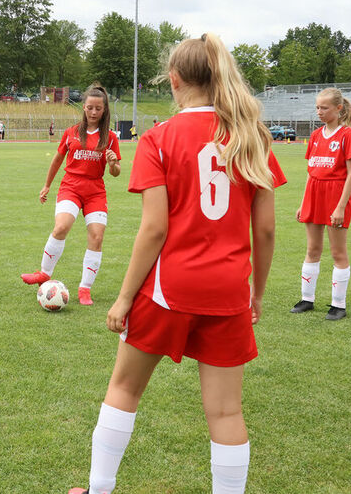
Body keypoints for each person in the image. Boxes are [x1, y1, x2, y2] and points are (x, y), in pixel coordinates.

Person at [67, 33, 284, 494]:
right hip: (228, 291)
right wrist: (257, 294)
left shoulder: (159, 137)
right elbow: (265, 231)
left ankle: (99, 490)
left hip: (169, 289)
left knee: (124, 390)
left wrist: (124, 298)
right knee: (226, 412)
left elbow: (154, 230)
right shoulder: (252, 135)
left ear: (175, 79)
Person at [20, 85, 121, 306]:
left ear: (104, 110)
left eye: (98, 108)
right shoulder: (71, 133)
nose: (94, 112)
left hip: (95, 191)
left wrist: (113, 164)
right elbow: (57, 160)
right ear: (84, 107)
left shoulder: (110, 137)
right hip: (71, 187)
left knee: (96, 237)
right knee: (61, 227)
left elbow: (115, 172)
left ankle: (85, 289)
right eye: (90, 108)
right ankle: (44, 274)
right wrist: (47, 185)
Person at [290, 87, 351, 320]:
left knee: (338, 252)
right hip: (314, 193)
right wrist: (303, 202)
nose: (319, 111)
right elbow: (311, 172)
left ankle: (338, 304)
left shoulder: (347, 135)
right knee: (312, 249)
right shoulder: (316, 135)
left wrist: (340, 206)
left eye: (324, 107)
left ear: (339, 109)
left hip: (335, 195)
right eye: (317, 107)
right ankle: (307, 299)